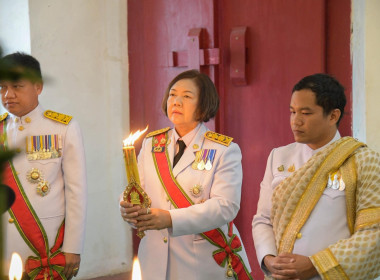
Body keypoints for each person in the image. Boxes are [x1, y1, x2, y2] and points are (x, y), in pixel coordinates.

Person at [119, 69, 252, 280]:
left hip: (200, 263)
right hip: (154, 260)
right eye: (172, 94)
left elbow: (225, 206)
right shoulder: (152, 144)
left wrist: (171, 219)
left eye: (187, 96)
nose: (176, 101)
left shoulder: (223, 149)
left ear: (203, 104)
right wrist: (128, 210)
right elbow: (138, 190)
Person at [252, 73, 380, 280]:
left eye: (306, 113)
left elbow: (374, 235)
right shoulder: (279, 156)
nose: (296, 121)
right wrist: (268, 258)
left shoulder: (363, 161)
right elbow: (263, 219)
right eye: (292, 112)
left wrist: (316, 265)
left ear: (333, 116)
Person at [0, 52, 87, 280]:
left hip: (45, 243)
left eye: (17, 86)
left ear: (38, 87)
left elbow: (76, 191)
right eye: (2, 87)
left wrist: (73, 246)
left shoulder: (62, 128)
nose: (8, 95)